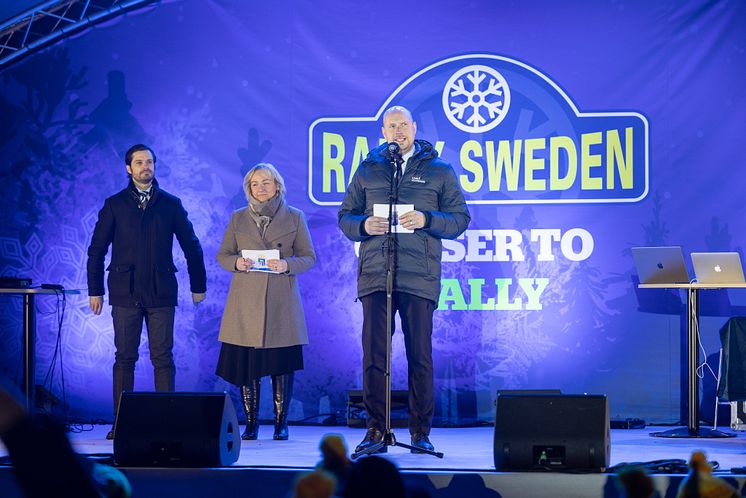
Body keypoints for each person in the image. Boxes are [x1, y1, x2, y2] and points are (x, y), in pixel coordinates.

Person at [338, 106, 470, 454]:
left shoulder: (439, 169)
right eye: (391, 126)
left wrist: (426, 218)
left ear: (414, 128)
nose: (398, 131)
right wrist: (364, 226)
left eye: (403, 125)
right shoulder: (369, 168)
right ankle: (375, 431)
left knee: (420, 357)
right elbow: (345, 216)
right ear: (383, 132)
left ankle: (419, 433)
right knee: (375, 357)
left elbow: (459, 219)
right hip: (375, 276)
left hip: (419, 276)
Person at [87, 144, 207, 440]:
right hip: (125, 291)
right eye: (139, 162)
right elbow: (96, 251)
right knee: (125, 358)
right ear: (128, 168)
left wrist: (198, 285)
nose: (145, 167)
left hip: (160, 291)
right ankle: (121, 423)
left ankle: (166, 423)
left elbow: (192, 246)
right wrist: (95, 290)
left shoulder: (170, 204)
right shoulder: (114, 204)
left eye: (150, 161)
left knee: (162, 358)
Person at [215, 163, 315, 441]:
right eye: (255, 184)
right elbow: (223, 255)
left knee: (281, 364)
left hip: (280, 302)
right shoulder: (237, 218)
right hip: (245, 304)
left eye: (266, 183)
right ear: (248, 188)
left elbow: (309, 257)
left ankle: (281, 424)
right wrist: (236, 262)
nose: (260, 188)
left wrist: (286, 264)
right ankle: (251, 423)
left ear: (277, 186)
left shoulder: (295, 217)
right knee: (249, 366)